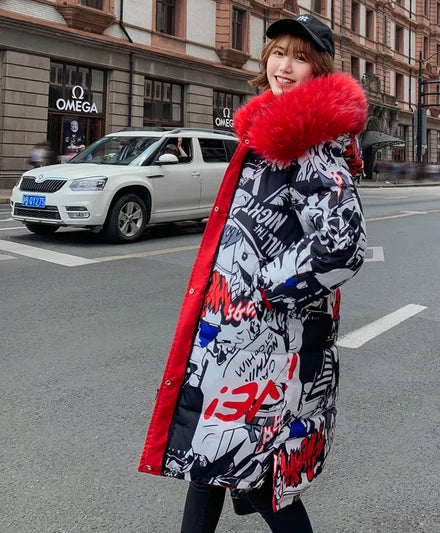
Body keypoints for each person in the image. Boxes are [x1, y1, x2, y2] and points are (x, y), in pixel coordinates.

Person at [138, 14, 368, 533]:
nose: (284, 66)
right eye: (278, 52)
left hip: (266, 356)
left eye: (301, 57)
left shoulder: (308, 143)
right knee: (210, 469)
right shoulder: (269, 134)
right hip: (231, 344)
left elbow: (344, 249)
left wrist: (262, 290)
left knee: (264, 485)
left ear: (319, 69)